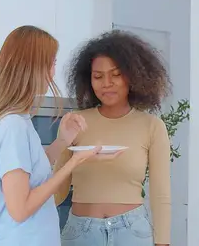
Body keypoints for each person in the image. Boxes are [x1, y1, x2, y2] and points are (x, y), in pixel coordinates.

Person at [0, 25, 123, 246]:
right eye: (52, 63)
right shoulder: (12, 126)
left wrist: (63, 140)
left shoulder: (18, 120)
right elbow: (20, 209)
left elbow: (31, 171)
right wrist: (73, 163)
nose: (54, 72)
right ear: (33, 66)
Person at [54, 29, 172, 246]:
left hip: (132, 233)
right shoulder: (75, 123)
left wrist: (163, 242)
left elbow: (161, 194)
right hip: (80, 233)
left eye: (116, 75)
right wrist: (63, 144)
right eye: (98, 76)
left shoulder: (152, 126)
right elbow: (57, 195)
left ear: (133, 76)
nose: (106, 83)